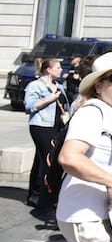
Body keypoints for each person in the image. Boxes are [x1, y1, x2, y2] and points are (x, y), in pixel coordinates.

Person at [56, 52, 112, 242]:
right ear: (98, 86)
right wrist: (110, 182)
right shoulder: (91, 112)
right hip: (87, 216)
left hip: (107, 214)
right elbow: (69, 157)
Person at [23, 57, 69, 210]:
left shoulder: (59, 86)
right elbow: (29, 106)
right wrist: (50, 98)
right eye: (58, 67)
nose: (61, 70)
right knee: (49, 157)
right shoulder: (35, 85)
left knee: (41, 159)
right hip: (41, 125)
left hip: (56, 126)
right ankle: (45, 195)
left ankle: (35, 193)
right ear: (48, 70)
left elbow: (65, 105)